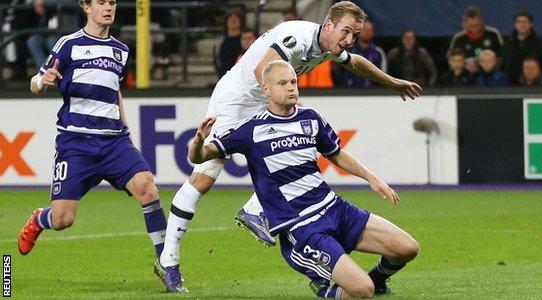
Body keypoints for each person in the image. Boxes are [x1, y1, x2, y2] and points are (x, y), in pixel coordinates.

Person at [157, 0, 421, 293]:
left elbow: (356, 62)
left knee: (287, 153)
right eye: (346, 32)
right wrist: (287, 115)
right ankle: (169, 259)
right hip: (237, 99)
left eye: (355, 35)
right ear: (329, 25)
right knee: (204, 178)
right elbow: (263, 69)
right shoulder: (296, 37)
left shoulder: (329, 45)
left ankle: (257, 209)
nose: (349, 40)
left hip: (268, 100)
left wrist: (392, 82)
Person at [189, 60, 419, 298]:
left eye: (293, 82)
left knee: (407, 248)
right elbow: (200, 156)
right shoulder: (251, 130)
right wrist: (198, 141)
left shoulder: (310, 117)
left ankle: (378, 279)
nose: (291, 88)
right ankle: (327, 289)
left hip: (334, 208)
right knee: (362, 291)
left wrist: (372, 179)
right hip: (301, 226)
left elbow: (336, 153)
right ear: (266, 89)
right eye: (282, 83)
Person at [18, 0, 167, 274]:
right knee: (63, 219)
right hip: (76, 144)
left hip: (114, 142)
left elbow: (115, 92)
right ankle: (40, 219)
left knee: (147, 187)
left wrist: (126, 131)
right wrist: (43, 81)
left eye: (112, 2)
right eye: (101, 2)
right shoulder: (69, 44)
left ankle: (167, 265)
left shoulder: (121, 50)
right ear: (86, 7)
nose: (109, 7)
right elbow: (34, 82)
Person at [502, 10, 542, 85]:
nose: (522, 25)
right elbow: (504, 66)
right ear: (515, 25)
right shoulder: (508, 44)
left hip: (536, 87)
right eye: (519, 22)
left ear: (531, 24)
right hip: (512, 86)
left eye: (525, 22)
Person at [449, 7, 504, 74]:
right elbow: (451, 59)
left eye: (477, 25)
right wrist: (464, 66)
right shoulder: (458, 38)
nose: (474, 28)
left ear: (482, 22)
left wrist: (485, 66)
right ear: (465, 24)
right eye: (471, 26)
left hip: (490, 75)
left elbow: (502, 57)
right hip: (465, 75)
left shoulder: (493, 34)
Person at [334, 20, 387, 87]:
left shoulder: (378, 53)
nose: (367, 32)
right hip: (350, 92)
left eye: (370, 30)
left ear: (373, 33)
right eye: (364, 30)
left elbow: (383, 75)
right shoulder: (348, 51)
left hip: (373, 93)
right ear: (358, 32)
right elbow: (339, 71)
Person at [214, 10, 244, 77]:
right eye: (230, 17)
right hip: (224, 76)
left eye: (236, 17)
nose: (233, 19)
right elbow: (217, 60)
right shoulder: (220, 40)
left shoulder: (246, 39)